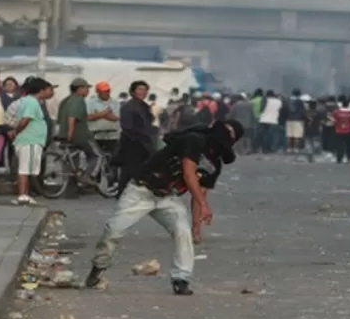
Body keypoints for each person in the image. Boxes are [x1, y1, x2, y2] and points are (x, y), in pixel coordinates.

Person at [85, 120, 244, 296]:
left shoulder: (214, 165)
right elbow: (189, 174)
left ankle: (181, 279)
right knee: (114, 230)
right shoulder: (194, 140)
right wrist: (204, 206)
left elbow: (200, 193)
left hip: (168, 197)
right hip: (141, 190)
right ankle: (98, 269)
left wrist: (196, 227)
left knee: (183, 233)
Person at [57, 78, 103, 186]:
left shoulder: (65, 100)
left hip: (63, 134)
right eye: (86, 88)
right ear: (79, 88)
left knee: (72, 159)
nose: (88, 91)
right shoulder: (78, 100)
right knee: (98, 155)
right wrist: (71, 132)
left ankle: (71, 185)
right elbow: (72, 117)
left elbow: (60, 119)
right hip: (79, 135)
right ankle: (88, 175)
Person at [13, 79, 52, 206]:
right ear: (41, 90)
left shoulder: (31, 101)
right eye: (47, 89)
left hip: (32, 140)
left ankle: (25, 194)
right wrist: (16, 131)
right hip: (29, 140)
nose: (49, 92)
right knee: (25, 168)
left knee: (29, 168)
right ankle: (23, 195)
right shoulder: (31, 102)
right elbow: (25, 120)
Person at [115, 80, 157, 196]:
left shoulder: (144, 106)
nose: (142, 92)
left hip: (143, 142)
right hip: (132, 143)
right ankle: (122, 194)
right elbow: (127, 127)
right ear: (133, 91)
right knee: (128, 171)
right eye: (139, 89)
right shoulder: (128, 107)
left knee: (139, 171)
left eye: (144, 90)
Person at [331, 96, 350, 164]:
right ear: (348, 105)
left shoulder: (336, 112)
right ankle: (349, 158)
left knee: (339, 145)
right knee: (349, 145)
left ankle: (339, 158)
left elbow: (333, 121)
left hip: (339, 131)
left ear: (342, 104)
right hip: (348, 131)